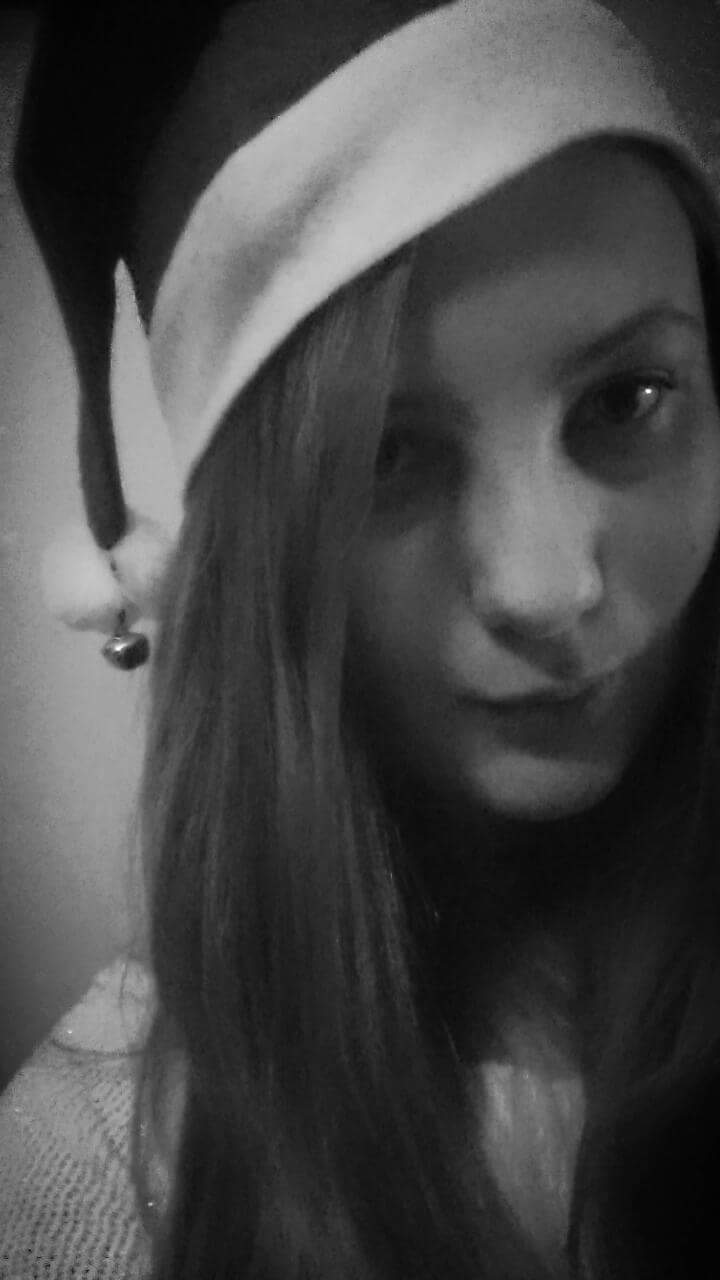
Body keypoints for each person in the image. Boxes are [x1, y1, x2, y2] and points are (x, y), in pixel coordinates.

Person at [1, 0, 720, 1277]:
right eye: (387, 456)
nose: (548, 585)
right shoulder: (87, 1170)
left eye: (628, 398)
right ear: (257, 551)